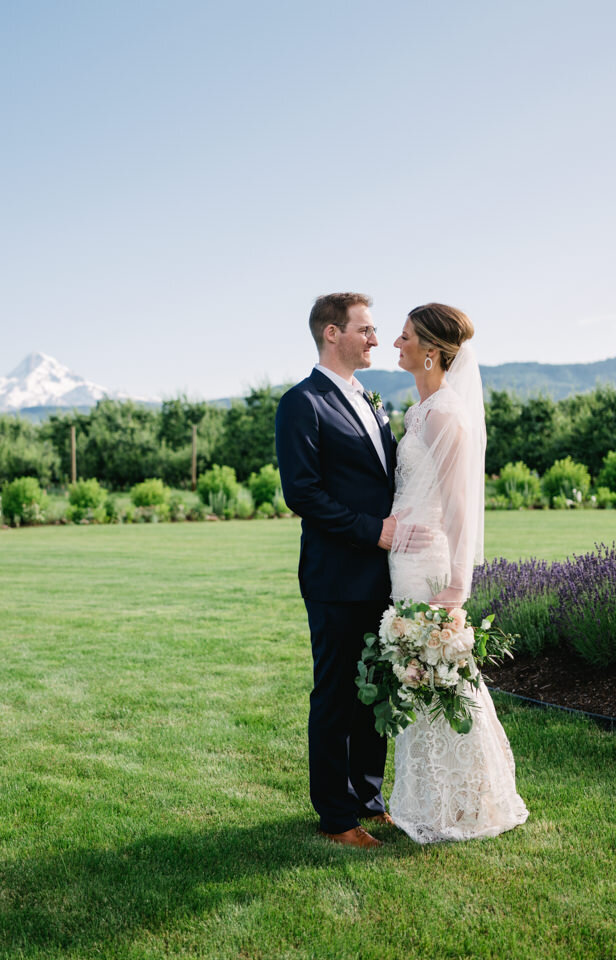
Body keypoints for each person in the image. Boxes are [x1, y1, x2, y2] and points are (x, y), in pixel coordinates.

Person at [386, 303, 529, 842]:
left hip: (431, 567)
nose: (395, 344)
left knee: (445, 679)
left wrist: (458, 584)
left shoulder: (447, 413)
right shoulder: (417, 413)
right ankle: (429, 798)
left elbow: (460, 506)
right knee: (415, 679)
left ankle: (472, 801)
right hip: (402, 560)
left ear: (430, 351)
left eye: (404, 338)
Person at [275, 292, 400, 850]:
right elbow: (302, 492)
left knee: (377, 688)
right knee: (335, 695)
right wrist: (372, 530)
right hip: (336, 576)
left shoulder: (369, 400)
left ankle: (368, 800)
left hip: (384, 575)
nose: (376, 339)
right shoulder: (301, 403)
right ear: (333, 333)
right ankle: (335, 815)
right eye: (366, 329)